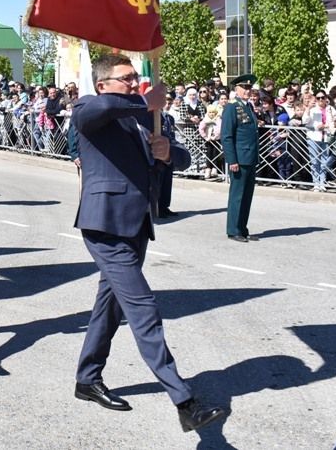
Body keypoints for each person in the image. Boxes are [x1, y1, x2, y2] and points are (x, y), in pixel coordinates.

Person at [70, 53, 224, 432]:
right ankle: (184, 400)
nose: (134, 83)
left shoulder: (144, 117)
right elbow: (99, 110)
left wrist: (168, 152)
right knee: (144, 310)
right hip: (105, 226)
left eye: (136, 77)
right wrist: (144, 99)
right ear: (103, 83)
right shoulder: (90, 107)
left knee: (109, 307)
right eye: (126, 79)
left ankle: (87, 378)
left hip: (136, 224)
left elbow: (183, 157)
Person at [221, 74, 260, 242]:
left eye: (249, 88)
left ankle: (242, 228)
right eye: (244, 87)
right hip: (240, 158)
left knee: (247, 195)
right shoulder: (232, 107)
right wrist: (233, 160)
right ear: (236, 89)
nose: (247, 91)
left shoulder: (248, 106)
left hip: (250, 156)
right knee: (237, 195)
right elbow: (227, 136)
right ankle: (233, 229)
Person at [303, 90, 336, 191]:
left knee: (324, 162)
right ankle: (316, 183)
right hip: (314, 137)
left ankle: (322, 182)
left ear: (326, 98)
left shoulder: (331, 109)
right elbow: (305, 121)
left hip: (326, 137)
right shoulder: (313, 109)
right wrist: (308, 108)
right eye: (318, 98)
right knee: (314, 161)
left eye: (323, 97)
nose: (321, 100)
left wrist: (326, 126)